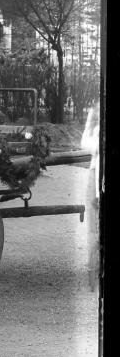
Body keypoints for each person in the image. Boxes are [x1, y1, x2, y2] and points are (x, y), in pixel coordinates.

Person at [81, 103, 101, 290]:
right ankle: (93, 270)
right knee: (93, 229)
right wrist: (96, 143)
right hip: (96, 173)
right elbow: (85, 142)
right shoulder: (96, 111)